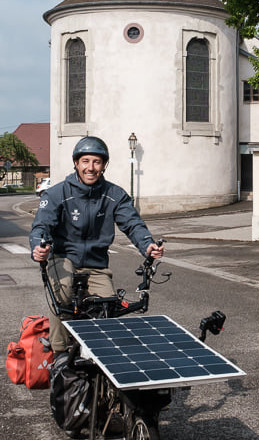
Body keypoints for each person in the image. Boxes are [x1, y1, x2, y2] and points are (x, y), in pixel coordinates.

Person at [29, 136, 164, 355]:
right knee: (61, 296)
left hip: (96, 264)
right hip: (62, 258)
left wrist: (148, 245)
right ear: (76, 163)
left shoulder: (115, 195)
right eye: (85, 161)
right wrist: (39, 247)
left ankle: (98, 356)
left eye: (97, 162)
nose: (90, 167)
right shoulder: (56, 193)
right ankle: (60, 353)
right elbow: (41, 226)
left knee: (107, 307)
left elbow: (132, 224)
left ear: (104, 165)